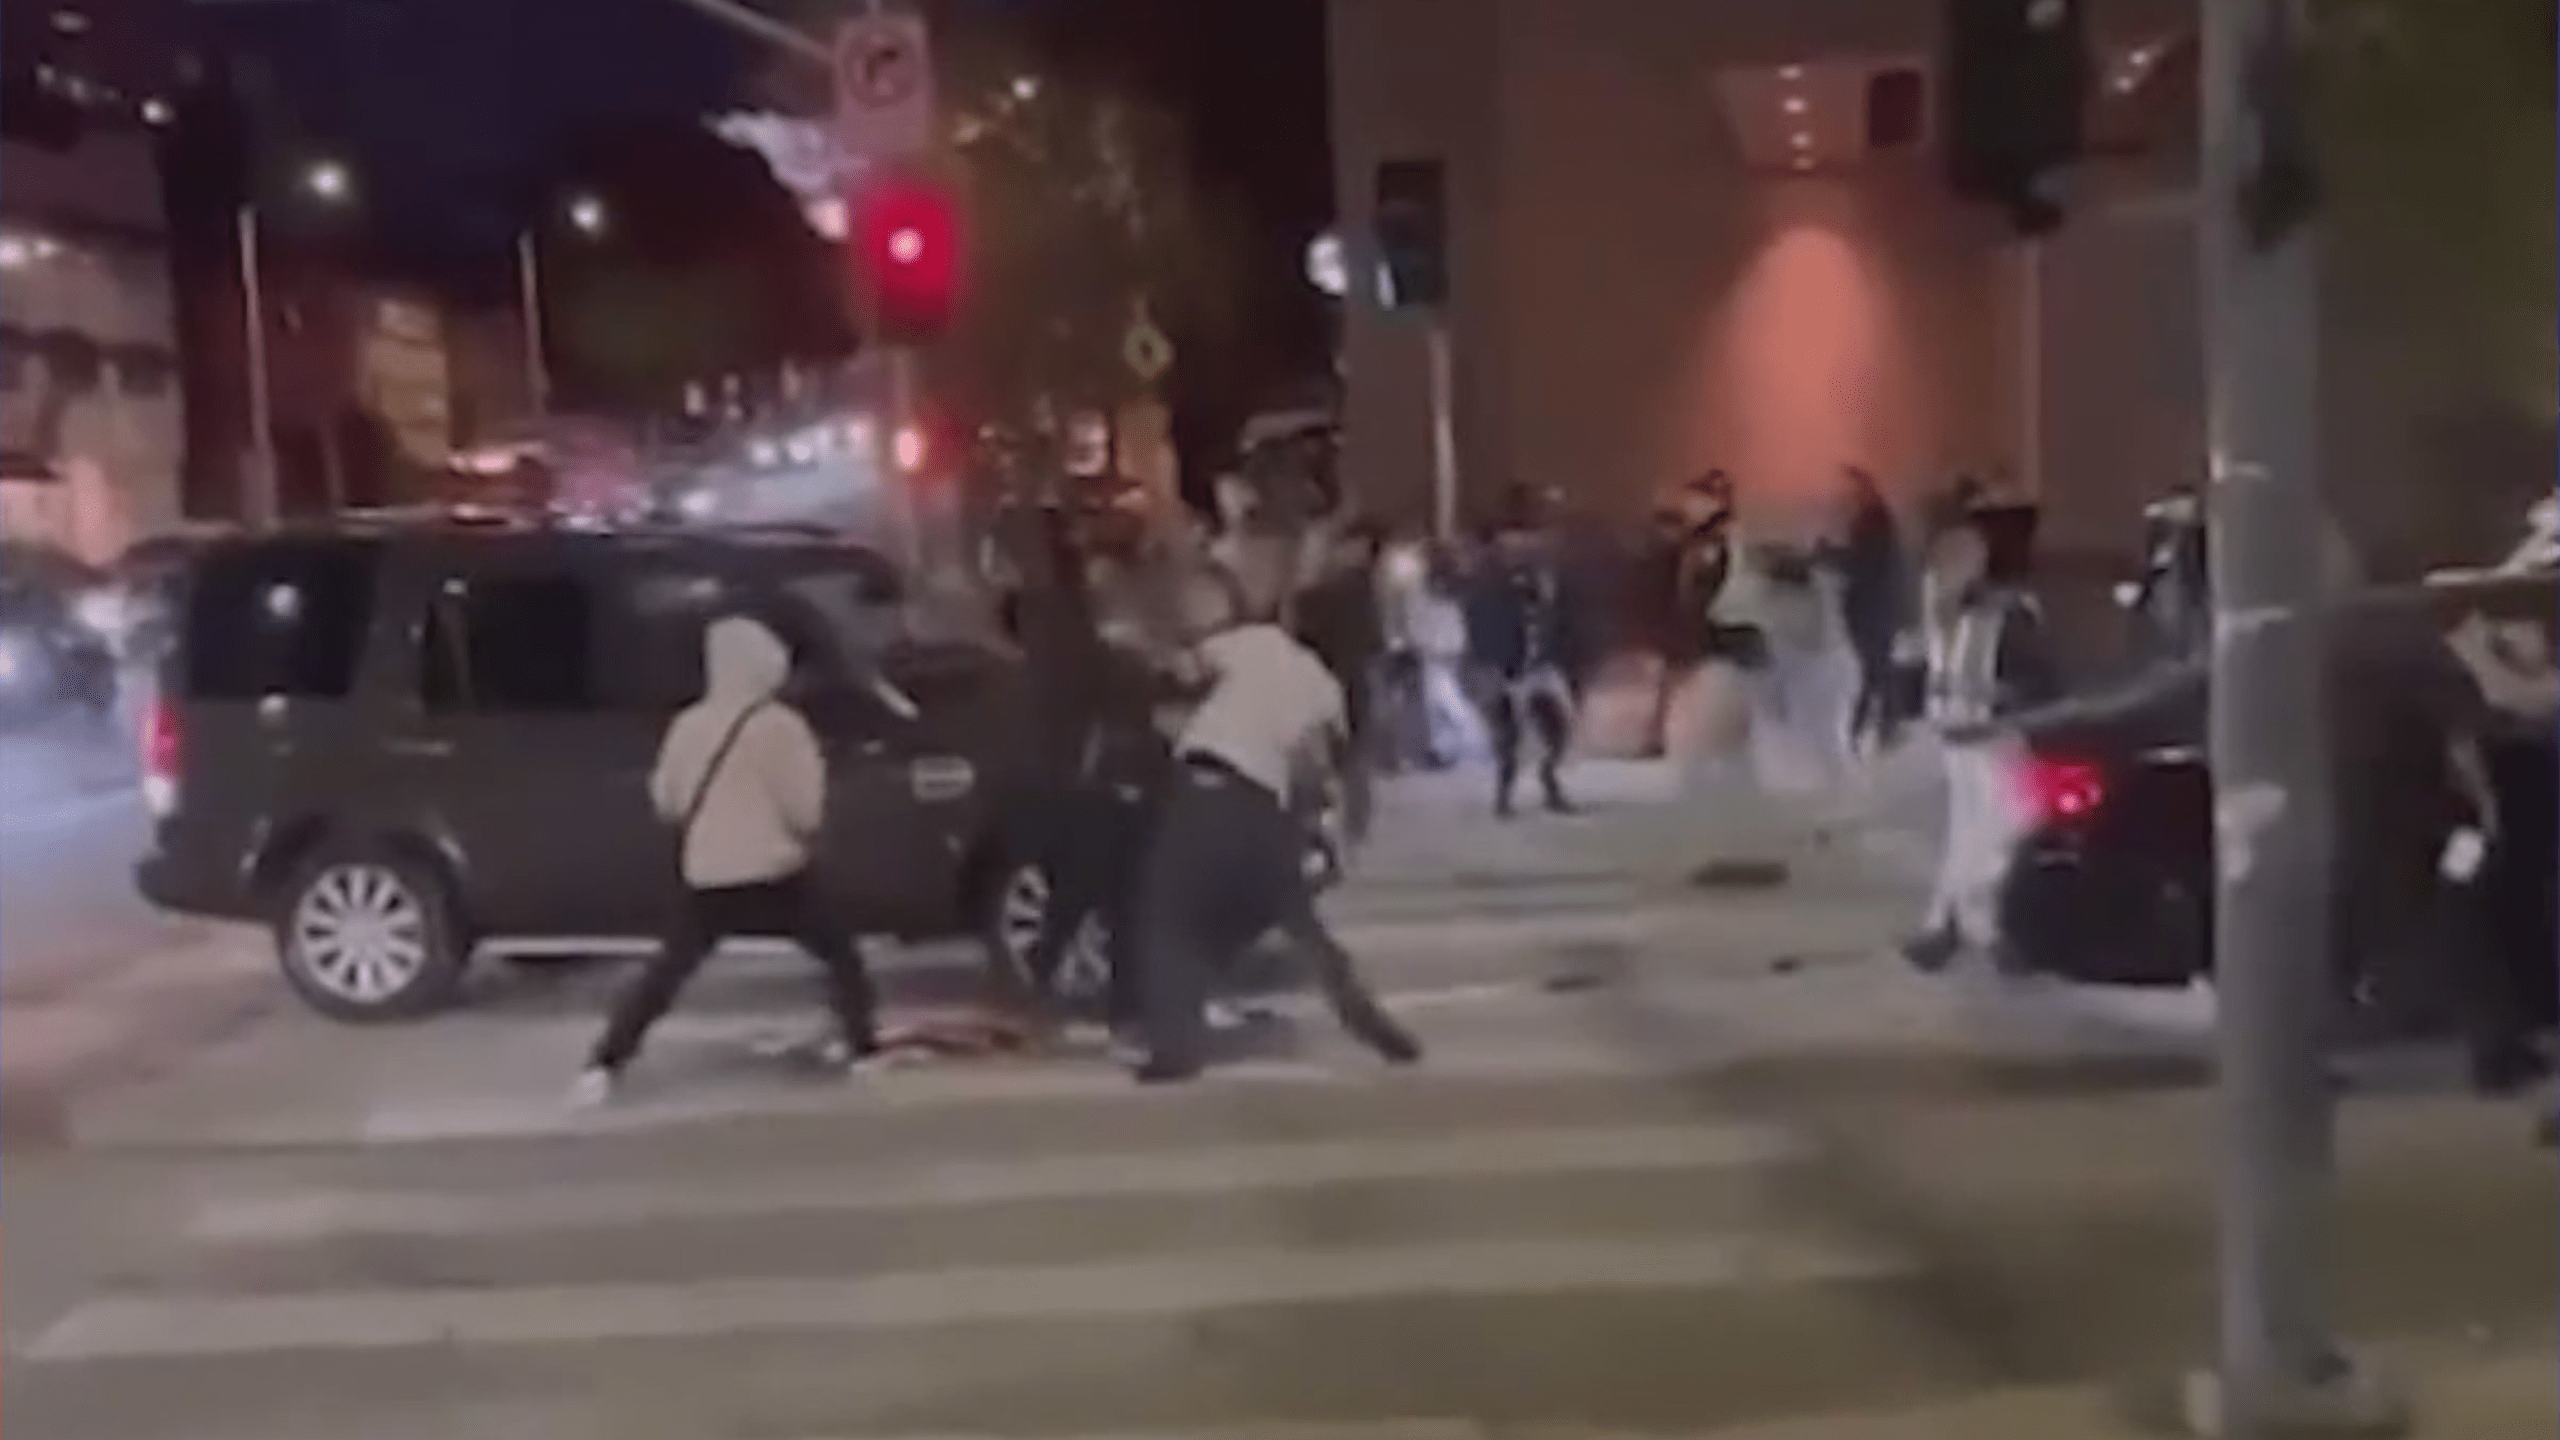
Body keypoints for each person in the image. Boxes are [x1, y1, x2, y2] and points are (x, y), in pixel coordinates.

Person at [577, 614, 880, 1102]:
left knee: (668, 971)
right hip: (778, 873)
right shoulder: (782, 726)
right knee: (840, 954)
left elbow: (667, 801)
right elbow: (805, 808)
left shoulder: (688, 724)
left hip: (708, 877)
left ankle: (605, 1062)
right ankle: (863, 1048)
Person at [1126, 592, 1422, 1084]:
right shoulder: (1326, 690)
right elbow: (1316, 766)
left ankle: (1176, 1048)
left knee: (1169, 919)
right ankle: (1366, 1019)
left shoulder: (1253, 641)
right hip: (1263, 805)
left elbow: (1182, 672)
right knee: (1299, 923)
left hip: (1202, 790)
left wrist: (1150, 652)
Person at [1902, 505, 2059, 973]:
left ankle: (1953, 926)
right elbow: (2030, 676)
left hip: (1975, 731)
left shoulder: (1974, 610)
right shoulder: (1987, 611)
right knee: (1998, 825)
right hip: (1980, 733)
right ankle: (1976, 928)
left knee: (1980, 829)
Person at [1467, 493, 1588, 817]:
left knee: (1556, 730)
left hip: (1538, 666)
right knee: (1509, 738)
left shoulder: (1544, 578)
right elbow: (1482, 624)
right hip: (1505, 666)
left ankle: (1549, 784)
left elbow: (1558, 619)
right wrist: (1490, 665)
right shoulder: (1488, 580)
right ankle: (1503, 797)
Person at [1833, 467, 1913, 752]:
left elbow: (1863, 565)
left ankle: (1867, 728)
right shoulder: (1878, 520)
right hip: (1876, 606)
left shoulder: (1872, 522)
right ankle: (1881, 726)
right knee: (1876, 668)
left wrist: (1835, 560)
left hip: (1871, 607)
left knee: (1873, 669)